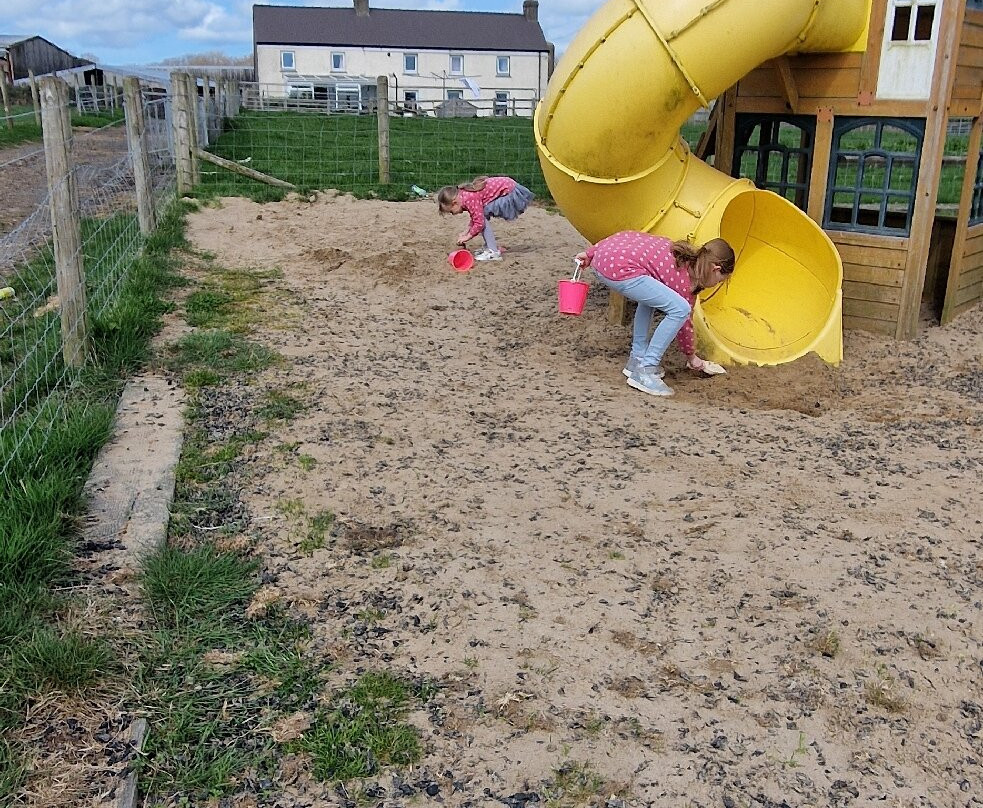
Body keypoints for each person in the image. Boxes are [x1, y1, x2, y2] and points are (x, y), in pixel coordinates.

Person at [575, 232, 735, 398]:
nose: (716, 284)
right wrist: (693, 358)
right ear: (715, 269)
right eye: (720, 280)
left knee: (652, 297)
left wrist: (590, 253)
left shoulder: (677, 252)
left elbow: (627, 236)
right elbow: (684, 324)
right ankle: (646, 370)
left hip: (603, 260)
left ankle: (637, 359)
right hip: (620, 269)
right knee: (680, 309)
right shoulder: (685, 283)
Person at [437, 176, 534, 261]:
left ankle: (493, 251)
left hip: (509, 192)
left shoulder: (468, 198)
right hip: (509, 187)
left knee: (482, 216)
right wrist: (465, 232)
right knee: (481, 214)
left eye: (451, 211)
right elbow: (475, 216)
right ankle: (489, 246)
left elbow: (479, 222)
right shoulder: (464, 196)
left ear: (454, 203)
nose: (453, 214)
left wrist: (468, 236)